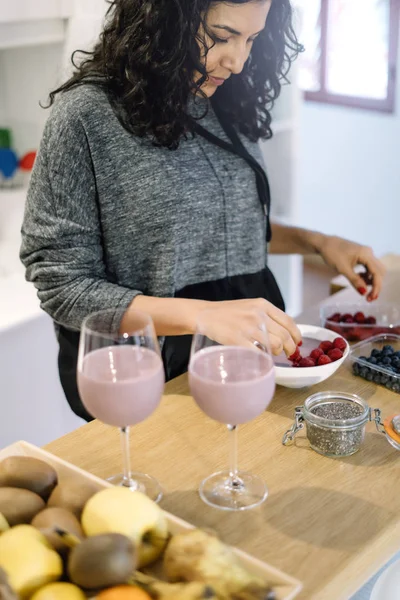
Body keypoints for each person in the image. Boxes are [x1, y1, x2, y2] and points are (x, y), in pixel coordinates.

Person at [20, 0, 385, 422]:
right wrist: (203, 315)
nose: (238, 60)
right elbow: (61, 285)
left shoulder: (224, 98)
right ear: (163, 16)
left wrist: (318, 243)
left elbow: (219, 221)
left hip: (254, 365)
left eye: (252, 39)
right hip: (155, 381)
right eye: (222, 36)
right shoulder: (85, 116)